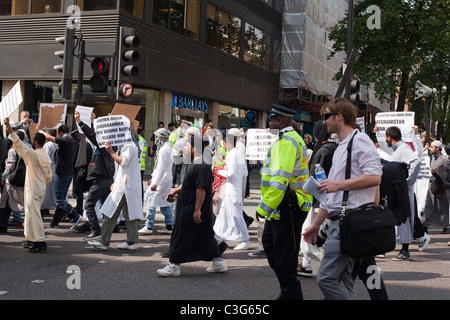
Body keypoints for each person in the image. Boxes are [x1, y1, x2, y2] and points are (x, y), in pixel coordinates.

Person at [302, 97, 383, 300]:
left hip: (351, 222)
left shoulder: (359, 140)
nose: (324, 121)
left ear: (340, 116)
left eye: (326, 116)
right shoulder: (341, 146)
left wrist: (337, 184)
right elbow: (333, 198)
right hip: (342, 222)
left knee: (327, 279)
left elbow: (375, 177)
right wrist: (316, 225)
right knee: (343, 281)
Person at [257, 103, 312, 300]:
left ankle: (291, 294)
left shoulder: (287, 141)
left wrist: (264, 208)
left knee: (284, 254)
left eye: (271, 119)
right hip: (284, 204)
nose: (269, 123)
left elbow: (281, 179)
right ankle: (289, 291)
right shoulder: (286, 139)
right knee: (272, 246)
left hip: (288, 204)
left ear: (279, 121)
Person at [157, 135, 227, 276]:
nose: (185, 148)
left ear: (194, 148)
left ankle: (174, 265)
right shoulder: (197, 164)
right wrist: (175, 192)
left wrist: (197, 210)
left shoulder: (200, 165)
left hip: (192, 207)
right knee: (205, 235)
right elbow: (189, 184)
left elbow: (200, 189)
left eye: (187, 146)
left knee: (181, 234)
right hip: (193, 205)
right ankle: (218, 262)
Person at [88, 128, 143, 251]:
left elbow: (123, 162)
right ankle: (131, 242)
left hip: (125, 186)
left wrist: (111, 152)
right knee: (130, 214)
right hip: (128, 184)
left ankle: (103, 241)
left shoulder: (128, 146)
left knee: (110, 211)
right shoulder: (135, 145)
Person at [3, 117, 52, 253]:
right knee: (31, 214)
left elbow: (18, 143)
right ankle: (31, 239)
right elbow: (49, 177)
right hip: (41, 187)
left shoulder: (33, 154)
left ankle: (40, 242)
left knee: (34, 215)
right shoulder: (45, 157)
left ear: (35, 142)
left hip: (33, 188)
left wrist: (8, 125)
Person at [298, 120, 337, 277]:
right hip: (334, 198)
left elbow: (314, 178)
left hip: (319, 200)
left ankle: (307, 263)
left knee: (310, 231)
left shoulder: (322, 151)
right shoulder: (338, 149)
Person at [73, 111, 116, 241]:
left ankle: (96, 230)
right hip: (105, 179)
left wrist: (81, 122)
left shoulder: (104, 146)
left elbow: (92, 136)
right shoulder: (107, 145)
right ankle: (106, 232)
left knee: (89, 205)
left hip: (101, 180)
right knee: (105, 207)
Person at [382, 126, 423, 260]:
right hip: (399, 189)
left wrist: (408, 181)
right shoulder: (398, 149)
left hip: (402, 190)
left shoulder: (403, 149)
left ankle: (405, 250)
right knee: (399, 217)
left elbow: (416, 161)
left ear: (389, 137)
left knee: (403, 217)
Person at [213, 131, 250, 251]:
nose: (223, 146)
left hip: (232, 190)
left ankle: (245, 240)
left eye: (224, 144)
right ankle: (217, 237)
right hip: (235, 189)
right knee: (224, 215)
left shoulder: (232, 154)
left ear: (228, 142)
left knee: (236, 216)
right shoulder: (237, 153)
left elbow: (231, 173)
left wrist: (218, 171)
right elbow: (244, 172)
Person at [45, 124, 81, 229]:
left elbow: (48, 137)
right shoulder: (74, 142)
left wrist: (39, 129)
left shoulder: (65, 141)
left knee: (58, 199)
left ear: (61, 133)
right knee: (62, 198)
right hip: (69, 173)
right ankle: (55, 221)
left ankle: (74, 215)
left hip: (61, 173)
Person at [139, 128, 174, 235]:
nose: (156, 140)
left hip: (161, 180)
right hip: (165, 179)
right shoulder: (166, 148)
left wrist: (155, 183)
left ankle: (148, 226)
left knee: (151, 201)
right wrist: (153, 178)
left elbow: (161, 168)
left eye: (157, 137)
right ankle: (169, 225)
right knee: (164, 202)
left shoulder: (163, 150)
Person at [422, 140, 450, 234]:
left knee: (442, 207)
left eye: (432, 147)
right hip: (432, 186)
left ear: (437, 148)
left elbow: (447, 171)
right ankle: (425, 226)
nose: (430, 149)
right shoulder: (431, 158)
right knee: (428, 206)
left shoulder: (444, 159)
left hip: (441, 187)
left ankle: (446, 226)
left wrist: (437, 171)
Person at [40, 130, 57, 217]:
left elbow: (45, 158)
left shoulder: (48, 145)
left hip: (49, 170)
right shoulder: (56, 144)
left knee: (46, 192)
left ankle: (45, 208)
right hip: (54, 169)